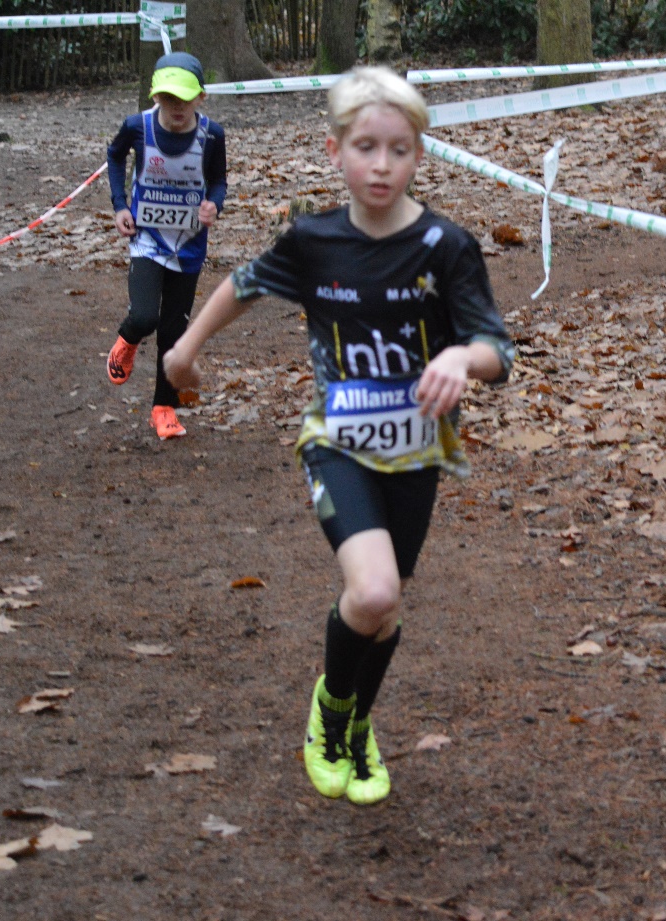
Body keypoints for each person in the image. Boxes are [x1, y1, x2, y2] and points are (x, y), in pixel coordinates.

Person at [162, 67, 514, 805]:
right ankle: (331, 714)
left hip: (419, 450)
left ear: (420, 154)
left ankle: (359, 728)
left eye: (398, 150)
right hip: (338, 443)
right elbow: (242, 284)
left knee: (381, 610)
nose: (381, 165)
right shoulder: (315, 241)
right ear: (335, 152)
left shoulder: (447, 246)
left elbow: (497, 350)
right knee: (374, 587)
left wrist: (459, 356)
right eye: (365, 148)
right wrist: (185, 353)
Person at [105, 51, 227, 438]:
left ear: (200, 98)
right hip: (146, 239)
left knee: (174, 334)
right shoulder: (137, 127)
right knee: (145, 316)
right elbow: (113, 155)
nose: (176, 107)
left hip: (189, 245)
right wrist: (120, 205)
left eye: (184, 99)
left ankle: (164, 408)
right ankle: (127, 339)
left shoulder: (212, 135)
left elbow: (219, 181)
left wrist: (214, 205)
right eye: (168, 99)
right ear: (155, 97)